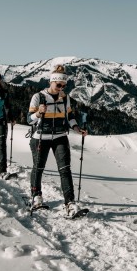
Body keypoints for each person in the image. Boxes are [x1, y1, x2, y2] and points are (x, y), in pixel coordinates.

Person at [27, 65, 87, 217]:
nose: (61, 88)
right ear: (51, 82)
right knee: (38, 168)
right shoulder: (38, 97)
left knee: (65, 169)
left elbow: (70, 115)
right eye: (58, 84)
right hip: (40, 137)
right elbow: (29, 119)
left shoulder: (65, 98)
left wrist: (76, 128)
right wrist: (39, 113)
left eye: (64, 85)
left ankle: (70, 203)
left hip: (60, 136)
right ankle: (36, 196)